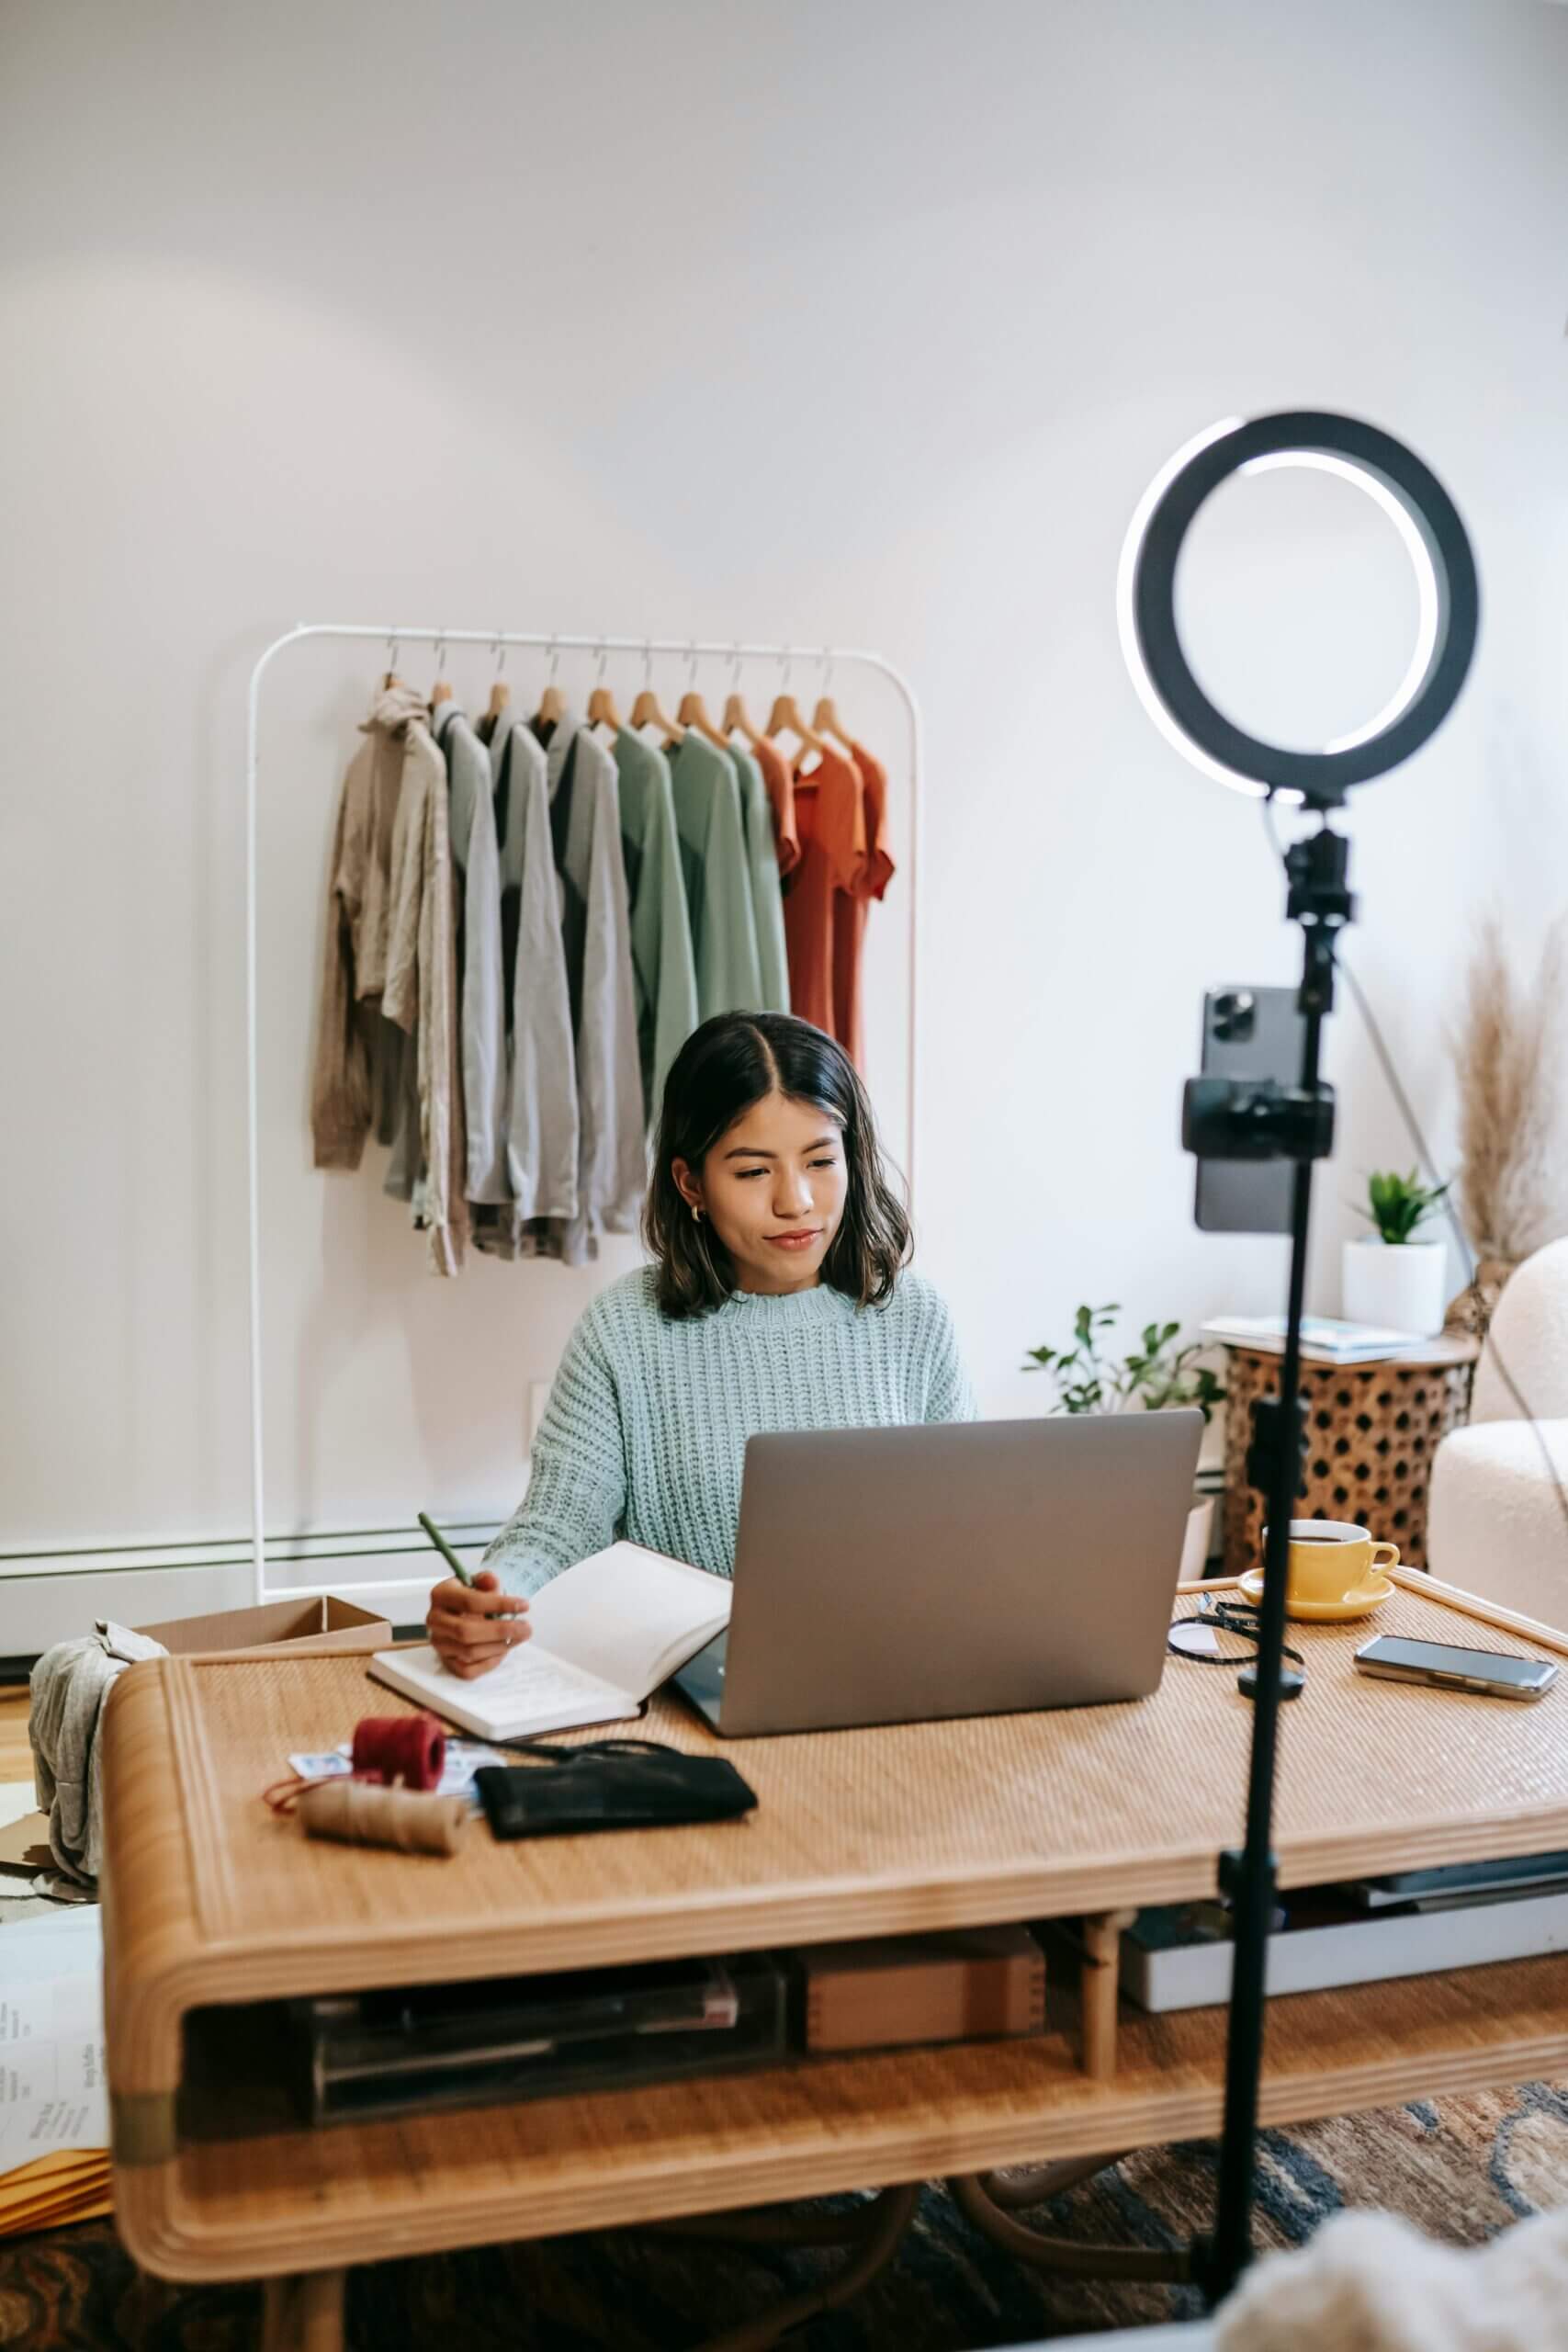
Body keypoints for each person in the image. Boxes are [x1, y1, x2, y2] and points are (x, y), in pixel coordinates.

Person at [425, 1010, 976, 1677]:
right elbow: (557, 1528)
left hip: (892, 1678)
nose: (796, 1201)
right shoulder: (623, 1330)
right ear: (691, 1184)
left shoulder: (914, 1317)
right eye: (751, 1173)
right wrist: (490, 1599)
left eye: (821, 1161)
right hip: (690, 1697)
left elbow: (965, 1534)